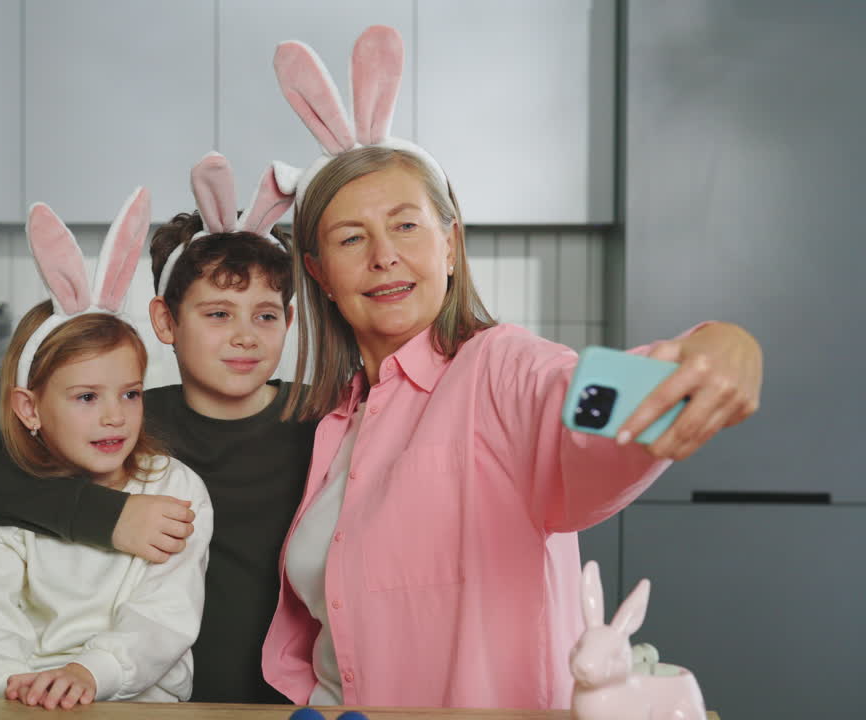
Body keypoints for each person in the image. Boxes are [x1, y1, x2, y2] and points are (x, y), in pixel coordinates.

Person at [260, 27, 763, 709]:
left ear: (449, 245)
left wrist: (707, 354)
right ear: (319, 275)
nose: (383, 256)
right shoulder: (336, 422)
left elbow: (579, 401)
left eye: (406, 226)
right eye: (352, 238)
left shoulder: (499, 369)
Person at [0, 154, 317, 703]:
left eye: (265, 315)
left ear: (288, 320)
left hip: (289, 702)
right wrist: (110, 517)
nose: (245, 336)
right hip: (149, 706)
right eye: (217, 313)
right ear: (165, 320)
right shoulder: (130, 428)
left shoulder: (325, 418)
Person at [0, 191, 214, 709]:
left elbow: (163, 617)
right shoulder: (12, 504)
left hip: (142, 704)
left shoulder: (174, 489)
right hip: (25, 704)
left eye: (130, 394)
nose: (115, 416)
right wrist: (13, 684)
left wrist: (89, 672)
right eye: (87, 397)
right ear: (30, 408)